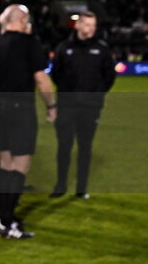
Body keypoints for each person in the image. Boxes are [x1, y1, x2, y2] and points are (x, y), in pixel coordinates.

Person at [0, 4, 56, 240]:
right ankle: (6, 220)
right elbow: (42, 80)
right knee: (20, 166)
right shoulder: (30, 43)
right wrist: (52, 106)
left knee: (3, 163)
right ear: (22, 20)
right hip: (21, 109)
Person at [49, 11, 116, 199]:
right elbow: (56, 74)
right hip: (67, 106)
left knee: (85, 147)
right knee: (64, 146)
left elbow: (109, 77)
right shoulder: (64, 47)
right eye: (87, 25)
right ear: (78, 25)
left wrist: (96, 95)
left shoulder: (102, 49)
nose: (91, 29)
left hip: (90, 107)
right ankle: (60, 185)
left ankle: (81, 188)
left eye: (93, 26)